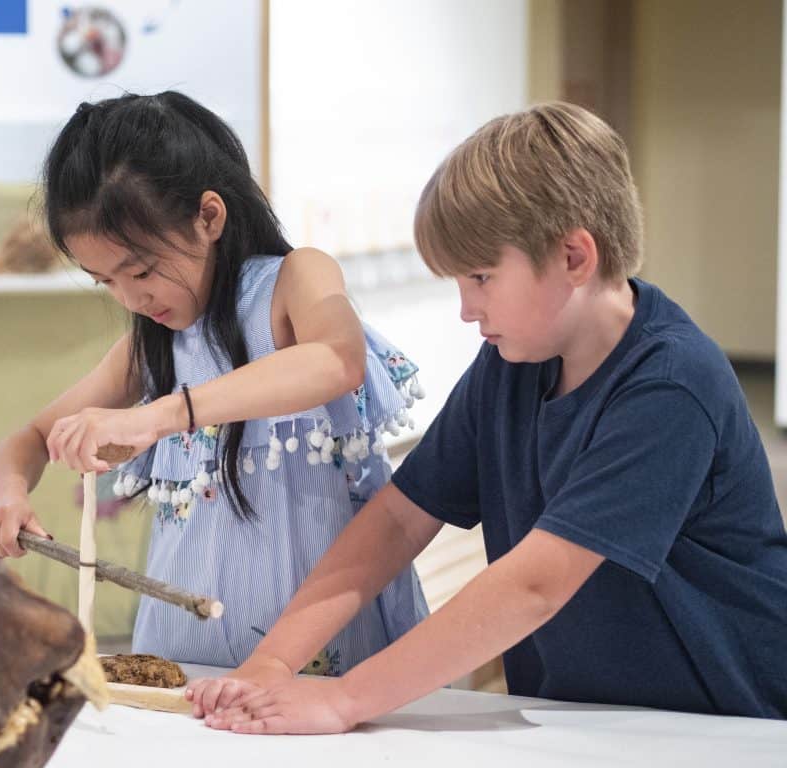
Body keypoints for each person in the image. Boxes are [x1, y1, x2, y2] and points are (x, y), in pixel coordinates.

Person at [189, 102, 787, 731]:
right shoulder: (512, 364)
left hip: (723, 723)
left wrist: (342, 699)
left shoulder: (671, 385)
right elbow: (398, 518)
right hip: (579, 717)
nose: (466, 310)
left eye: (480, 277)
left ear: (575, 258)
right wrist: (275, 660)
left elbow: (537, 584)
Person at [0, 91, 429, 671]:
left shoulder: (295, 280)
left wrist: (156, 415)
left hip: (317, 652)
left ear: (208, 216)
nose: (131, 297)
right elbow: (30, 440)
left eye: (141, 271)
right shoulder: (151, 344)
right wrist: (5, 493)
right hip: (187, 653)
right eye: (104, 282)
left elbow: (338, 358)